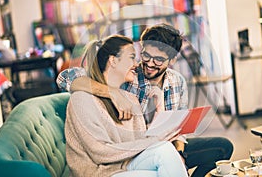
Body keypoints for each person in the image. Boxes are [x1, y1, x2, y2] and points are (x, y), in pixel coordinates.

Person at [58, 23, 234, 177]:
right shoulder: (128, 75)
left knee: (222, 147)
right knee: (165, 157)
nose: (149, 63)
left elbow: (178, 130)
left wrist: (179, 152)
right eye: (145, 55)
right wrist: (112, 92)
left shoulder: (177, 82)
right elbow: (65, 78)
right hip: (134, 150)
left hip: (159, 144)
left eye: (158, 59)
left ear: (172, 59)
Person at [65, 34, 188, 177]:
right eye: (131, 57)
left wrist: (159, 108)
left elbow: (140, 143)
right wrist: (156, 139)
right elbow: (100, 153)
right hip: (99, 173)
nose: (137, 64)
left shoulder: (129, 99)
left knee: (165, 150)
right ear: (113, 60)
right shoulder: (82, 99)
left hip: (125, 164)